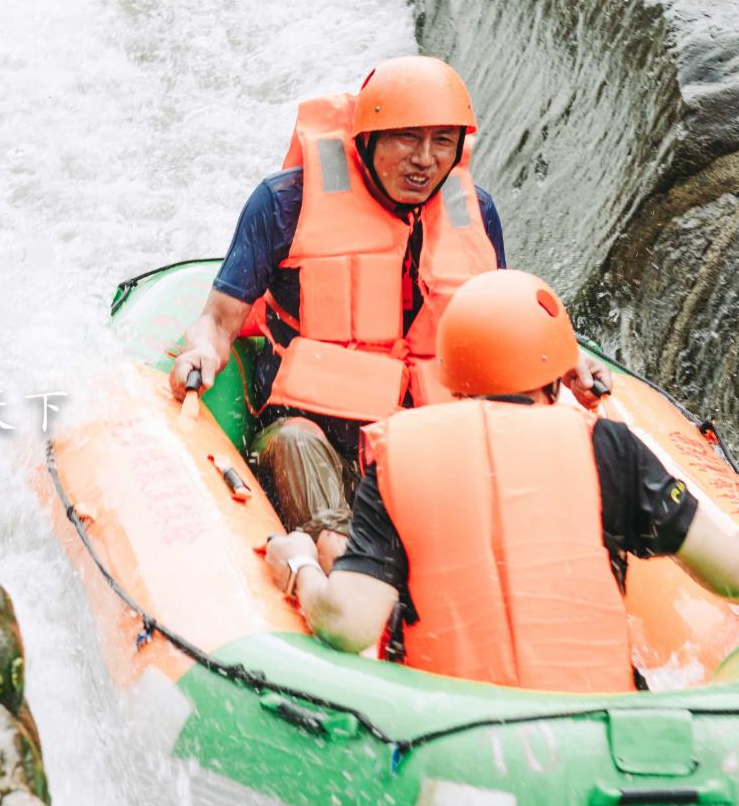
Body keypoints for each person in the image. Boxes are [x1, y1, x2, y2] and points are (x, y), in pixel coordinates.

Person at [168, 56, 602, 563]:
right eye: (406, 138)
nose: (424, 158)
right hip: (313, 432)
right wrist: (201, 350)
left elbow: (507, 328)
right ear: (367, 138)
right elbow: (220, 320)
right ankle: (342, 570)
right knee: (295, 443)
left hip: (424, 438)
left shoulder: (475, 212)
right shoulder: (284, 202)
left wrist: (565, 362)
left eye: (443, 140)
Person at [263, 270, 739, 692]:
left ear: (451, 375)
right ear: (558, 373)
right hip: (605, 733)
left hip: (449, 732)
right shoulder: (611, 448)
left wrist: (301, 568)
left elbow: (347, 625)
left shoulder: (399, 453)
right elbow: (737, 579)